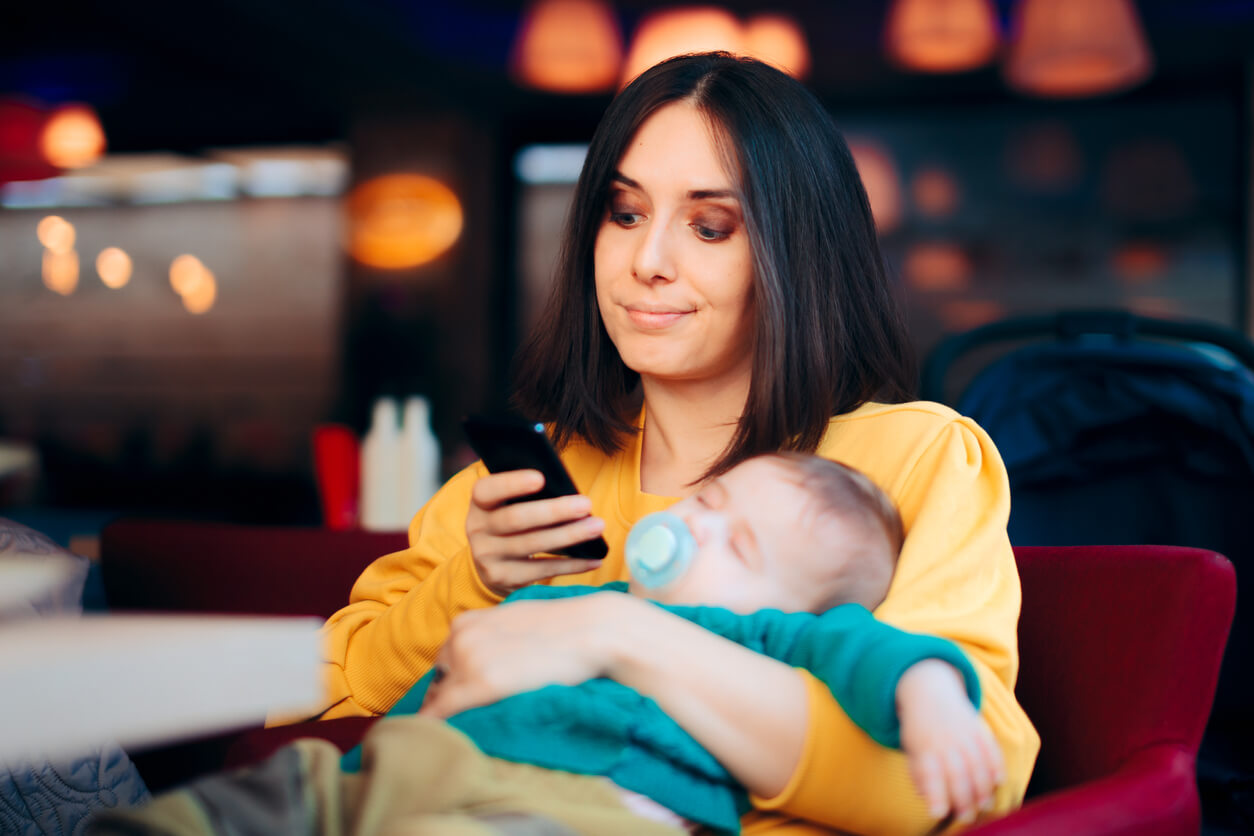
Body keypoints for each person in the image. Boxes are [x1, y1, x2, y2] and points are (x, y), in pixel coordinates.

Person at [311, 52, 1039, 834]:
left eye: (709, 226)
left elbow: (961, 784)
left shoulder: (918, 462)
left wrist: (615, 633)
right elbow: (328, 697)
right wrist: (473, 583)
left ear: (793, 255)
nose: (645, 262)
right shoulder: (516, 488)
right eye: (624, 214)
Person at [87, 455, 1000, 836]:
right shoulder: (589, 586)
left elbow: (873, 654)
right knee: (278, 795)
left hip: (570, 808)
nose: (699, 528)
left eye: (740, 546)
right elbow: (441, 667)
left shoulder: (771, 636)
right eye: (707, 503)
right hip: (414, 764)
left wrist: (929, 699)